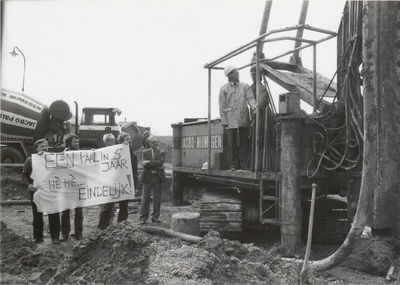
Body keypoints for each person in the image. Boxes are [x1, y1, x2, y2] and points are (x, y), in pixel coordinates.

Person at [22, 138, 61, 244]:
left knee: (53, 212)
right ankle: (38, 237)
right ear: (36, 149)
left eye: (46, 146)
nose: (45, 148)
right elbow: (24, 175)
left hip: (51, 190)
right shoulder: (30, 160)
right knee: (37, 213)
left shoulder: (53, 159)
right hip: (36, 191)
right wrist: (29, 185)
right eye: (42, 146)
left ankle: (55, 237)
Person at [97, 132, 138, 229]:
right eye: (127, 139)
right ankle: (102, 228)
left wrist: (134, 185)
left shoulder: (133, 156)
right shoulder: (114, 153)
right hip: (113, 183)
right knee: (108, 207)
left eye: (130, 138)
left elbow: (134, 172)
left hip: (125, 184)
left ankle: (121, 227)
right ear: (121, 141)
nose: (130, 140)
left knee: (124, 207)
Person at [219, 65, 257, 171]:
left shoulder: (245, 86)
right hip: (230, 119)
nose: (237, 73)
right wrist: (224, 121)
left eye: (237, 71)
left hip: (243, 117)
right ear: (230, 75)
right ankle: (233, 165)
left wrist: (255, 108)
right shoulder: (224, 88)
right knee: (231, 143)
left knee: (244, 142)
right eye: (235, 72)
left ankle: (245, 165)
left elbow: (250, 99)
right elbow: (222, 106)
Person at [60, 133, 83, 241]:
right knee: (65, 212)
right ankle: (65, 234)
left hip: (78, 187)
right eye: (75, 142)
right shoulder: (62, 155)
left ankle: (78, 233)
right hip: (66, 187)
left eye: (78, 142)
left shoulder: (83, 155)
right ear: (69, 143)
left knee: (79, 211)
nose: (77, 144)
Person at [139, 136, 166, 224]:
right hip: (148, 177)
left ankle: (155, 217)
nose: (155, 143)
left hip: (158, 177)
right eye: (153, 142)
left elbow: (160, 162)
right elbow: (144, 165)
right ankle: (143, 218)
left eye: (156, 142)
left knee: (157, 198)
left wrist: (149, 162)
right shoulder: (145, 152)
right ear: (149, 143)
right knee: (145, 198)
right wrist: (157, 165)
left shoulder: (162, 152)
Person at [250, 64, 269, 171]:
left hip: (261, 119)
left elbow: (261, 103)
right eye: (252, 75)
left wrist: (255, 111)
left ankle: (259, 165)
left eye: (254, 75)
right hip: (252, 119)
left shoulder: (262, 89)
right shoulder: (251, 88)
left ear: (259, 76)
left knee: (259, 142)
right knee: (253, 142)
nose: (253, 77)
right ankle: (253, 165)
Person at [97, 133, 117, 229]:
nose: (114, 141)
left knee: (112, 203)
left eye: (114, 140)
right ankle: (102, 223)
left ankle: (110, 222)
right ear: (107, 141)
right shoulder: (101, 152)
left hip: (113, 181)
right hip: (104, 181)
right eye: (112, 140)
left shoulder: (116, 151)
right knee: (104, 203)